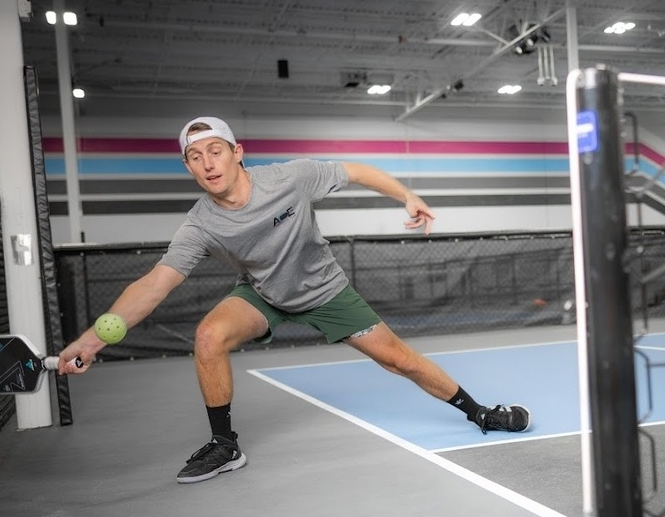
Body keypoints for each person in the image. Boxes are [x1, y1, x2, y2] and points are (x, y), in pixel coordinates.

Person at [59, 117, 530, 483]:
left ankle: (481, 413)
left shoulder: (290, 178)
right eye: (195, 156)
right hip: (263, 294)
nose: (207, 163)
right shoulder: (200, 223)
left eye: (215, 151)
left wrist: (406, 196)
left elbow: (358, 171)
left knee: (399, 361)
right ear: (188, 167)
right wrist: (91, 341)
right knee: (208, 336)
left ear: (236, 153)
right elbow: (154, 284)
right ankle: (225, 445)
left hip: (326, 291)